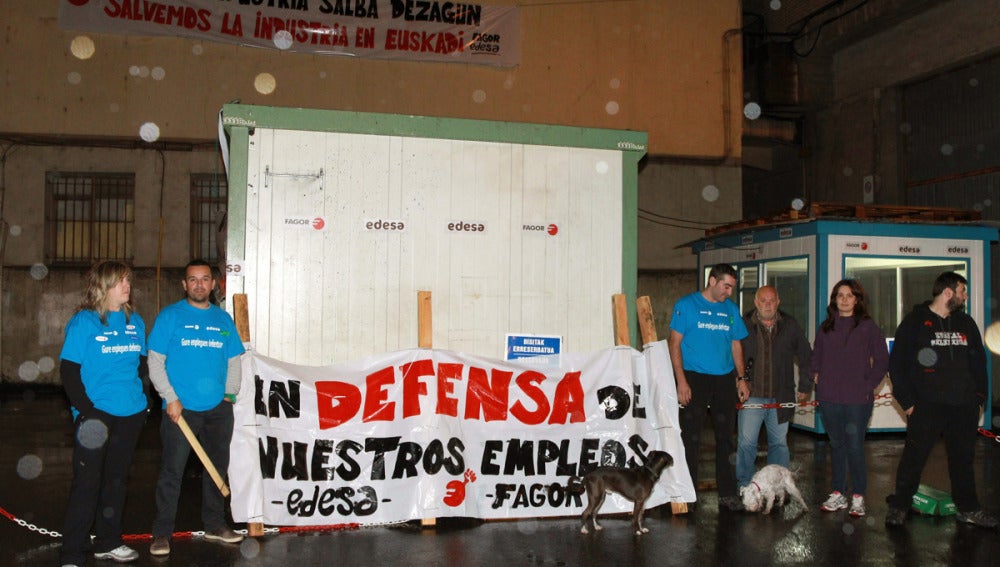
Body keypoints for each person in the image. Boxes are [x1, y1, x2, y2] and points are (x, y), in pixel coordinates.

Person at [885, 272, 998, 529]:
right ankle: (899, 507)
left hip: (963, 408)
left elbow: (979, 363)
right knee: (914, 460)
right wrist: (909, 402)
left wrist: (979, 399)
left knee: (963, 461)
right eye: (962, 291)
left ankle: (968, 509)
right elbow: (897, 365)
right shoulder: (914, 322)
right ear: (948, 292)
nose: (965, 296)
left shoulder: (966, 323)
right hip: (926, 406)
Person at [148, 259, 246, 556]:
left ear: (213, 284)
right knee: (172, 472)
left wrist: (229, 397)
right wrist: (170, 397)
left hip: (217, 409)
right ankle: (162, 533)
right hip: (181, 410)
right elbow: (155, 361)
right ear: (184, 284)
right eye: (193, 279)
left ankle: (215, 525)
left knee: (216, 470)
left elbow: (233, 361)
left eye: (205, 279)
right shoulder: (170, 317)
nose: (199, 284)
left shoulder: (223, 321)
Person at [59, 261, 147, 565]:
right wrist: (86, 411)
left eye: (127, 281)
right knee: (87, 482)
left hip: (130, 414)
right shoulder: (84, 322)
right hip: (96, 414)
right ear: (103, 286)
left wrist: (144, 404)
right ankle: (73, 551)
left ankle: (108, 541)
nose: (127, 286)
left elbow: (142, 366)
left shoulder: (135, 321)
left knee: (117, 480)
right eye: (120, 281)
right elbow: (69, 370)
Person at [669, 263, 749, 511]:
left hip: (724, 378)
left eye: (732, 288)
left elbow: (736, 345)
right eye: (726, 286)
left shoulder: (731, 309)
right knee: (690, 437)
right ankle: (689, 493)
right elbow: (674, 344)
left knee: (726, 437)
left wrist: (741, 377)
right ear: (712, 281)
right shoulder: (686, 305)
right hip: (694, 377)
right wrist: (681, 381)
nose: (729, 292)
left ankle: (727, 493)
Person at [810, 279, 888, 517]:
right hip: (829, 397)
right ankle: (838, 493)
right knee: (837, 445)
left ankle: (858, 496)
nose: (844, 299)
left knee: (854, 446)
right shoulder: (825, 327)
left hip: (858, 399)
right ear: (834, 299)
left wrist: (868, 385)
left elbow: (883, 360)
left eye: (849, 295)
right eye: (839, 295)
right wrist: (817, 377)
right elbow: (816, 357)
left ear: (857, 300)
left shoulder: (868, 327)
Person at [736, 285, 812, 490]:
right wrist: (738, 381)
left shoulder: (790, 325)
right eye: (763, 301)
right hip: (752, 396)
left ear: (778, 302)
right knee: (746, 444)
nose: (767, 305)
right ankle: (745, 484)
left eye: (772, 301)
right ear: (756, 303)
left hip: (781, 396)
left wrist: (806, 384)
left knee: (779, 444)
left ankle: (778, 485)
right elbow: (732, 355)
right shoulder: (743, 325)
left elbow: (806, 354)